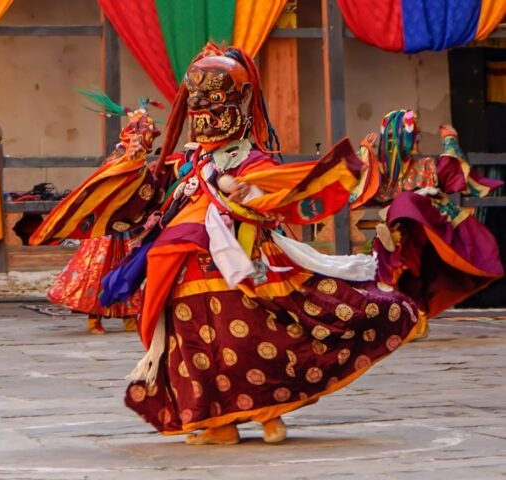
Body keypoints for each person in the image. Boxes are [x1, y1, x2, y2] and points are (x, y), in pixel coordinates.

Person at [120, 43, 426, 445]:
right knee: (199, 348)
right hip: (186, 275)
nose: (204, 112)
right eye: (196, 100)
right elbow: (154, 197)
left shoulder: (254, 161)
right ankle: (219, 423)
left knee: (258, 339)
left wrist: (242, 193)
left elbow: (272, 202)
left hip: (247, 268)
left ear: (243, 99)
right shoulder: (189, 161)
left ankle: (269, 417)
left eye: (214, 99)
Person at [350, 110, 504, 336]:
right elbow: (358, 185)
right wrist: (364, 152)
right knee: (402, 263)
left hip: (430, 231)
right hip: (406, 234)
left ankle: (395, 239)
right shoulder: (384, 173)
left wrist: (450, 140)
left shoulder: (427, 166)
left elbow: (451, 174)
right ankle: (411, 317)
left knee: (407, 203)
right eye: (414, 136)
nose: (417, 140)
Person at [29, 91, 162, 334]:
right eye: (146, 136)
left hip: (129, 229)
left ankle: (129, 316)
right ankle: (94, 318)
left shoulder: (140, 162)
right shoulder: (118, 159)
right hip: (106, 228)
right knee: (98, 272)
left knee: (127, 269)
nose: (147, 141)